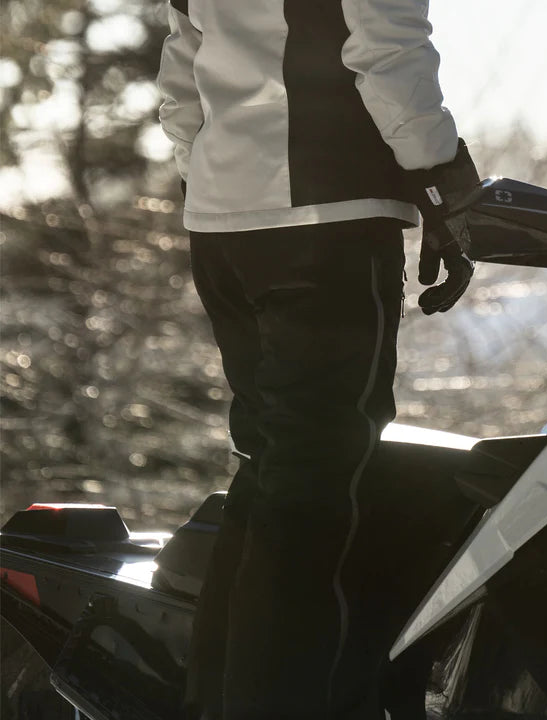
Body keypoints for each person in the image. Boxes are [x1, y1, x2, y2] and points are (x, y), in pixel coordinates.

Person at [156, 1, 482, 717]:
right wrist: (443, 180)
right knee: (316, 492)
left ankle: (212, 705)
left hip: (221, 224)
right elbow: (386, 43)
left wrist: (208, 180)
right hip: (326, 222)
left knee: (270, 472)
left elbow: (182, 63)